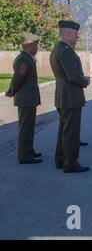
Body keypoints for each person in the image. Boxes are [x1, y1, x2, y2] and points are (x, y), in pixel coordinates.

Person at [50, 20, 91, 173]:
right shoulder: (65, 50)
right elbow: (72, 76)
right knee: (71, 132)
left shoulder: (58, 49)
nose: (77, 36)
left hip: (63, 96)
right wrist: (85, 80)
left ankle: (60, 159)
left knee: (64, 130)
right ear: (67, 33)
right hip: (70, 97)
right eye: (75, 33)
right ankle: (70, 163)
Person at [5, 33, 42, 164]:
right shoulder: (23, 59)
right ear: (29, 45)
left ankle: (29, 151)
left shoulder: (28, 58)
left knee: (30, 126)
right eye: (36, 45)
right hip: (25, 99)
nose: (38, 47)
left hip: (29, 98)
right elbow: (18, 78)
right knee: (25, 127)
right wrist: (11, 91)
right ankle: (24, 156)